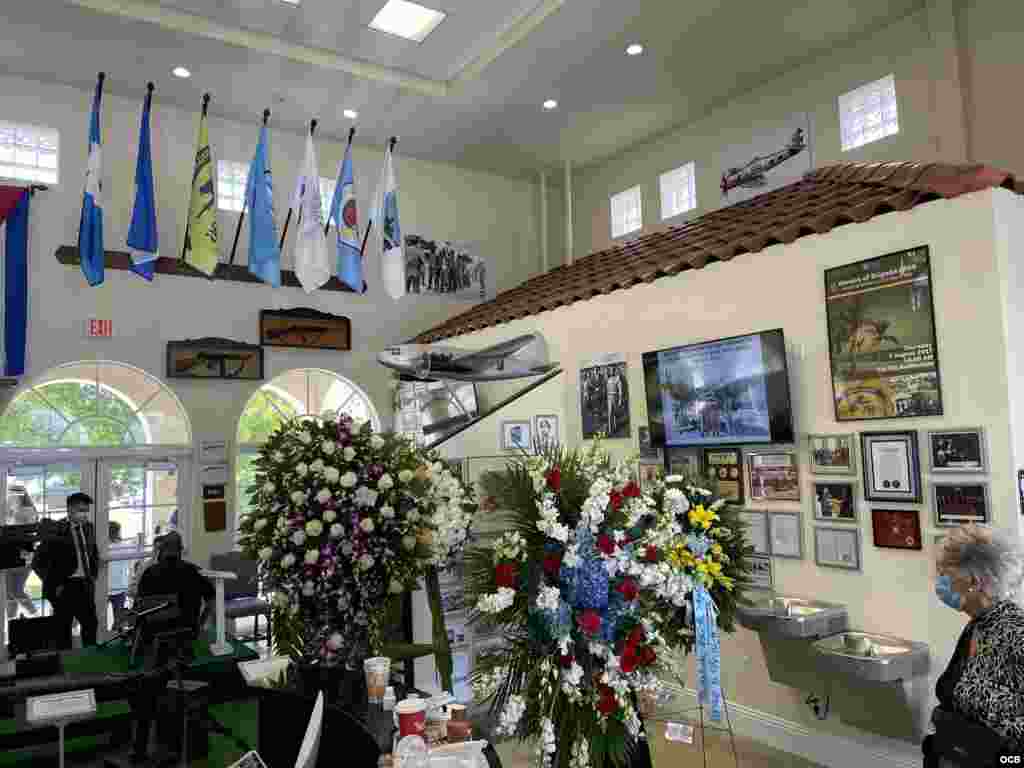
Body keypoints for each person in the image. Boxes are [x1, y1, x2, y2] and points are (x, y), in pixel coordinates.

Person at [923, 524, 1024, 766]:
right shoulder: (979, 625)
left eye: (945, 573)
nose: (940, 581)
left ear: (975, 581)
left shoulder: (1014, 630)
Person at [32, 491, 100, 648]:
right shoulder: (56, 530)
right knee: (63, 628)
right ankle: (66, 665)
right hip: (64, 587)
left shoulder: (89, 528)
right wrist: (54, 584)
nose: (84, 514)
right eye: (80, 510)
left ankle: (90, 659)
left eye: (86, 510)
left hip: (85, 584)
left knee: (90, 624)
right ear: (70, 509)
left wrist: (93, 575)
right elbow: (37, 562)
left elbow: (93, 552)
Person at [136, 531, 214, 637]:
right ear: (180, 551)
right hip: (188, 633)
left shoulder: (149, 573)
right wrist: (200, 624)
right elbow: (211, 601)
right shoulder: (195, 571)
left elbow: (139, 605)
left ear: (161, 551)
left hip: (153, 634)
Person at [5, 487, 38, 616]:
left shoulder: (24, 511)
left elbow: (26, 533)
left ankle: (33, 613)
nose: (10, 497)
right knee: (10, 591)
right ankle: (11, 618)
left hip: (23, 555)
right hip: (14, 554)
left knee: (15, 590)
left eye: (12, 495)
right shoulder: (13, 511)